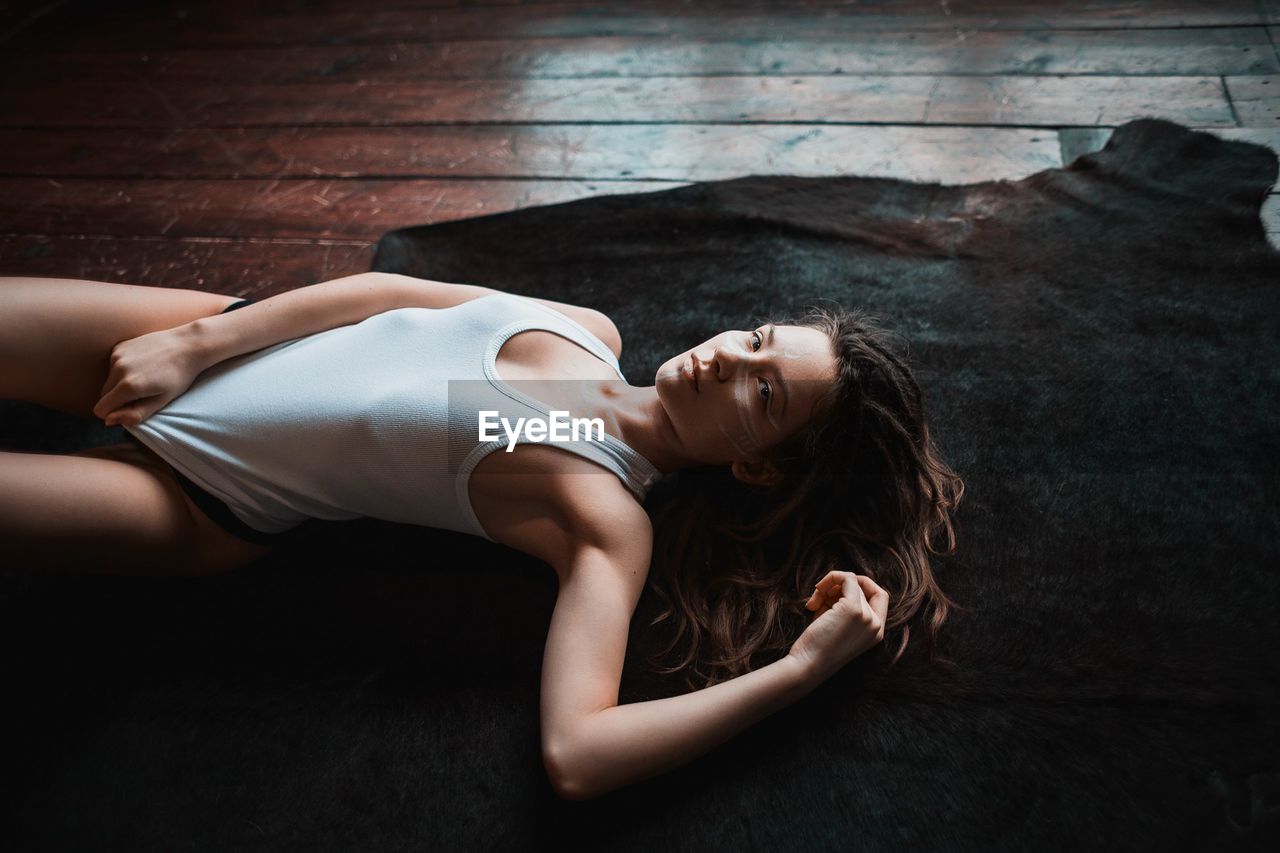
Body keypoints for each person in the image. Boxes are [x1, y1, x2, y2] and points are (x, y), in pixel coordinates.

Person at [0, 271, 963, 800]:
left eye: (761, 393)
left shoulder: (602, 516)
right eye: (758, 339)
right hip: (222, 335)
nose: (727, 359)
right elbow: (379, 295)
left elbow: (578, 753)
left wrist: (798, 672)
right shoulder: (587, 326)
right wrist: (198, 342)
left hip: (196, 496)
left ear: (759, 465)